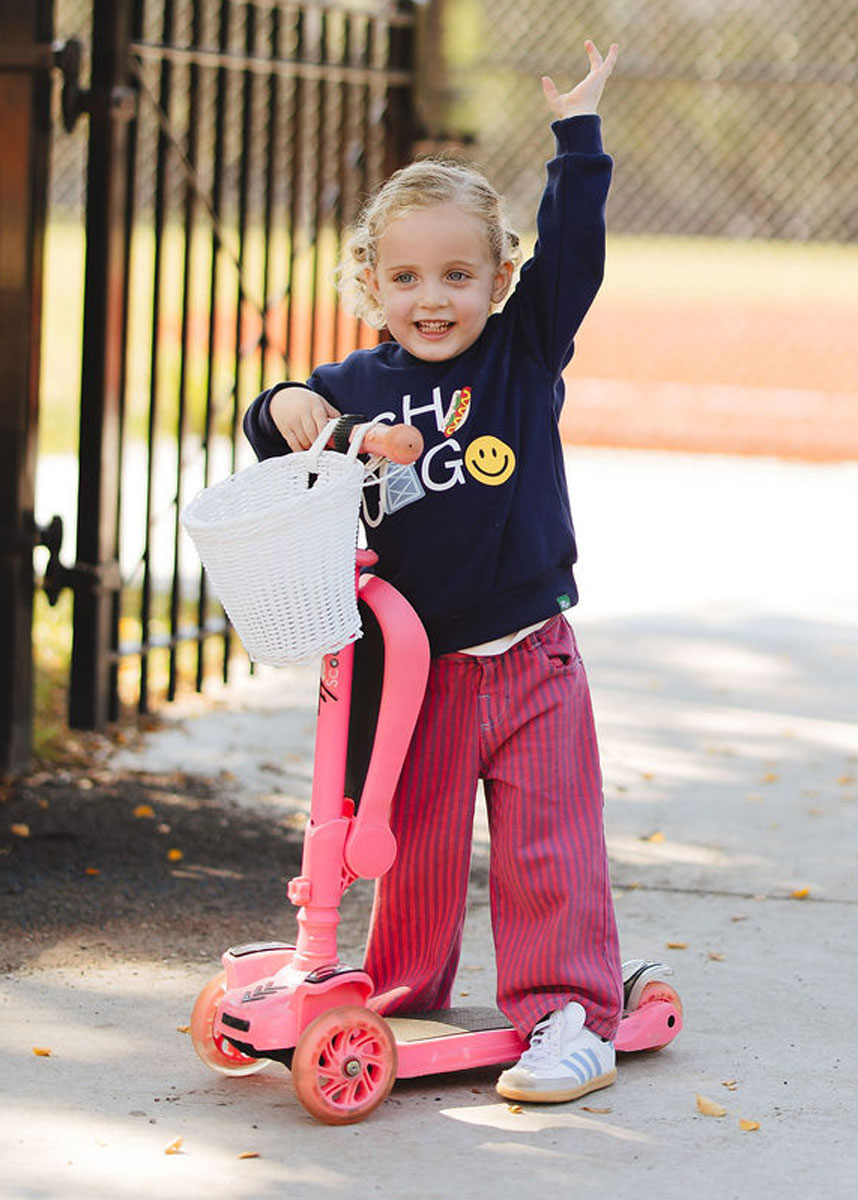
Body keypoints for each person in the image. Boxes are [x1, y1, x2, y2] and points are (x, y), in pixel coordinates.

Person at [244, 41, 622, 1104]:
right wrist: (285, 409)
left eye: (460, 276)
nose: (435, 298)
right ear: (369, 283)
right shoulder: (353, 383)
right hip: (414, 673)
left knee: (548, 847)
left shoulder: (521, 349)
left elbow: (578, 256)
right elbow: (277, 425)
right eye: (406, 278)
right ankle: (403, 995)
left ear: (499, 278)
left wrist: (577, 139)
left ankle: (569, 1017)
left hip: (532, 654)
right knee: (408, 848)